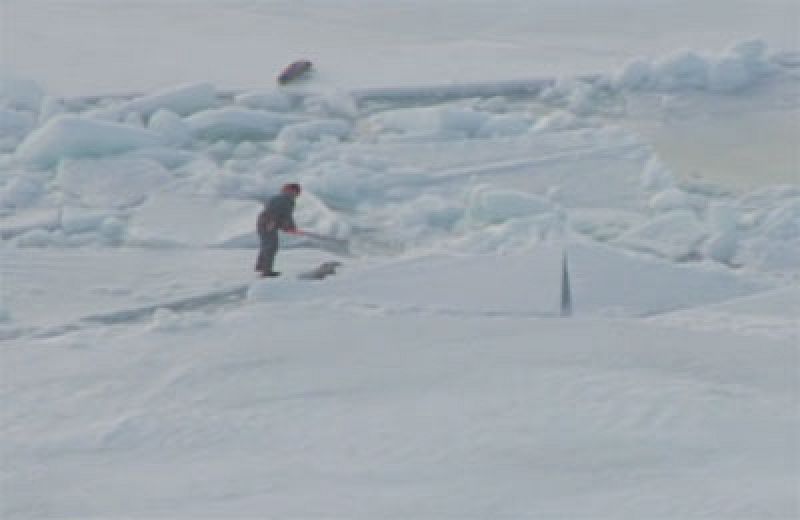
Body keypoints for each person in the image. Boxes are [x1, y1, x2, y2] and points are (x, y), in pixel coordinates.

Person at [255, 183, 302, 277]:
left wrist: (287, 227)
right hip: (268, 223)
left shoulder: (279, 198)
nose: (297, 195)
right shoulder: (286, 200)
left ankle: (261, 266)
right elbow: (284, 215)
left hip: (264, 222)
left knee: (266, 244)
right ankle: (266, 271)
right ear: (292, 191)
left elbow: (282, 215)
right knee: (270, 246)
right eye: (297, 192)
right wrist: (290, 227)